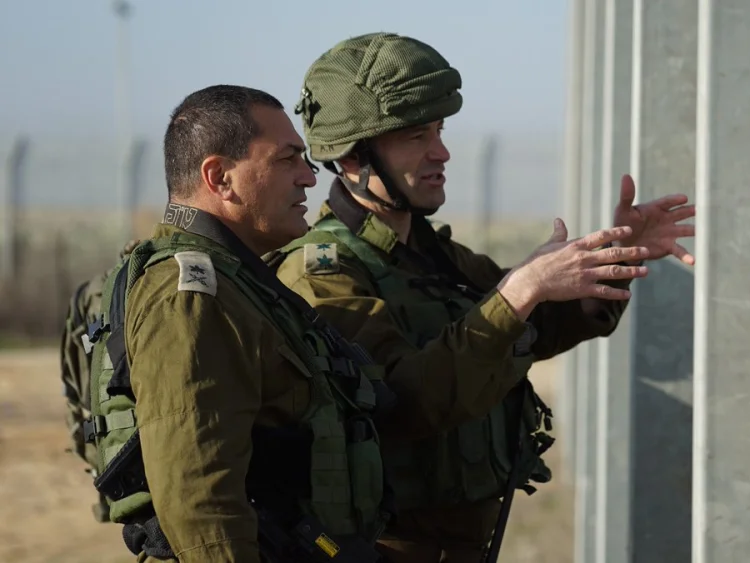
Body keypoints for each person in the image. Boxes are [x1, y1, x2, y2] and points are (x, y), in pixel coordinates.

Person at [271, 32, 696, 563]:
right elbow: (404, 401)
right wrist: (518, 290)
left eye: (441, 131)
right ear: (353, 158)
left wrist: (616, 255)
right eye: (416, 136)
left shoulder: (431, 256)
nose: (441, 152)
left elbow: (531, 328)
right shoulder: (323, 275)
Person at [82, 84, 392, 563]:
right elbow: (201, 502)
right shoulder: (190, 295)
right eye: (287, 160)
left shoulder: (238, 280)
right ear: (220, 178)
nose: (309, 178)